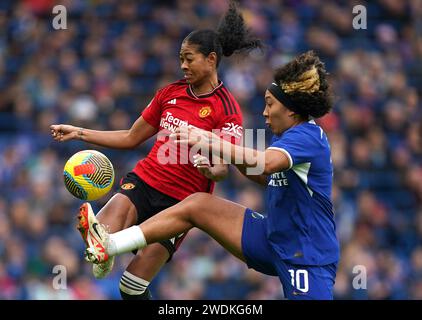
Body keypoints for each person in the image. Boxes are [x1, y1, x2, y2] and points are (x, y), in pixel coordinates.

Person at [78, 51, 340, 300]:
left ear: (291, 110)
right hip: (271, 236)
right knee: (198, 204)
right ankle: (111, 244)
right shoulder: (288, 136)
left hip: (307, 256)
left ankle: (111, 245)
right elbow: (263, 175)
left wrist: (208, 139)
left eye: (270, 104)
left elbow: (265, 163)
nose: (264, 112)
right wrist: (220, 157)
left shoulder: (307, 136)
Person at [50, 1, 262, 300]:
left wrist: (207, 168)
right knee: (97, 233)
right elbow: (131, 136)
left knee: (131, 287)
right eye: (180, 59)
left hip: (180, 205)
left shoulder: (226, 109)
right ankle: (105, 250)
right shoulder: (170, 93)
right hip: (144, 181)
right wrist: (79, 133)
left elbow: (224, 169)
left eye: (189, 59)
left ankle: (108, 252)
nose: (183, 65)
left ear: (211, 59)